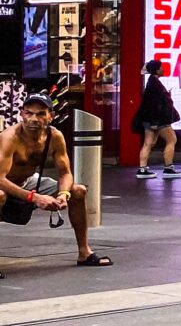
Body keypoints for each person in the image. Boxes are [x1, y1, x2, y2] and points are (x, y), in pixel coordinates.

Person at [1, 93, 109, 266]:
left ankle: (84, 252)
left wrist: (64, 194)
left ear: (51, 115)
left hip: (27, 181)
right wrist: (34, 198)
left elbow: (65, 172)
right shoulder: (10, 137)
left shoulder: (55, 137)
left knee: (77, 191)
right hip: (4, 183)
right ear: (21, 114)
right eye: (29, 113)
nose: (34, 119)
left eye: (41, 113)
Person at [132, 59, 181, 178]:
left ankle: (143, 169)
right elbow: (155, 104)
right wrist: (155, 121)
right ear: (157, 70)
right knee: (171, 139)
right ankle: (168, 168)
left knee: (148, 143)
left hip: (150, 120)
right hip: (159, 121)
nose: (163, 69)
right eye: (162, 67)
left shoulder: (151, 83)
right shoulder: (154, 85)